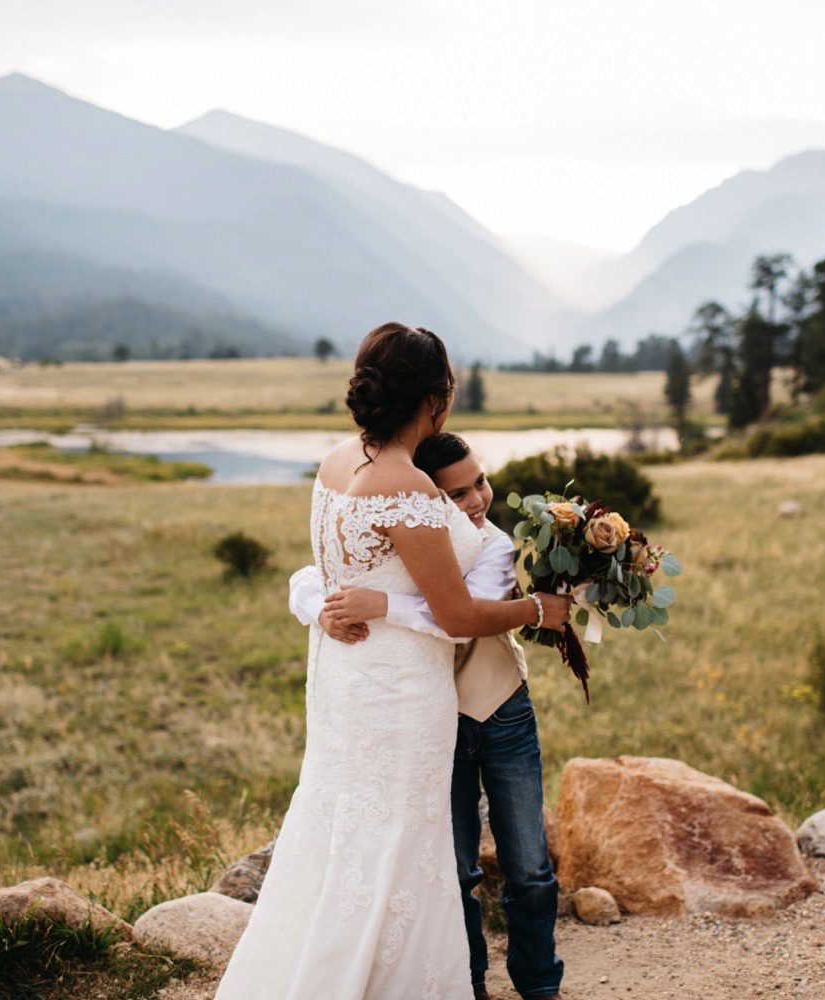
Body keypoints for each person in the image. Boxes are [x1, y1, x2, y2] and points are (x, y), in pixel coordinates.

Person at [214, 323, 571, 1000]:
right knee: (402, 836)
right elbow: (459, 616)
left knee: (342, 825)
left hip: (346, 680)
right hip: (402, 690)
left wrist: (327, 605)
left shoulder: (335, 462)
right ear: (436, 399)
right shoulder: (406, 488)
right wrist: (537, 612)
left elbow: (334, 568)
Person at [290, 432, 565, 1000]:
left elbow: (460, 616)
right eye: (457, 494)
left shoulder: (492, 546)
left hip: (501, 709)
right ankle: (467, 985)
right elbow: (311, 577)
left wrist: (381, 604)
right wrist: (326, 610)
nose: (476, 502)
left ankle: (540, 986)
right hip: (434, 722)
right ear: (426, 500)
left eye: (480, 483)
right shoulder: (406, 537)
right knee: (455, 869)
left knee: (531, 869)